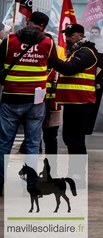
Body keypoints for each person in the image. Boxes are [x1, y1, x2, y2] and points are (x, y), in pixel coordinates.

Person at [0, 12, 57, 196]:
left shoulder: (9, 40)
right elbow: (55, 64)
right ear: (44, 27)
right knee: (33, 144)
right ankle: (31, 186)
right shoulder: (48, 43)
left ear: (27, 21)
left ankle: (0, 184)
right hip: (36, 101)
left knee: (4, 144)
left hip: (11, 98)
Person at [54, 24, 99, 182]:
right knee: (70, 138)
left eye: (71, 35)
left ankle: (78, 176)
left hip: (81, 102)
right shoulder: (75, 52)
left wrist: (52, 59)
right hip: (73, 102)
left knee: (75, 139)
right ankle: (73, 173)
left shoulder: (86, 52)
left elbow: (69, 69)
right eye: (66, 34)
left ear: (81, 35)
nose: (67, 38)